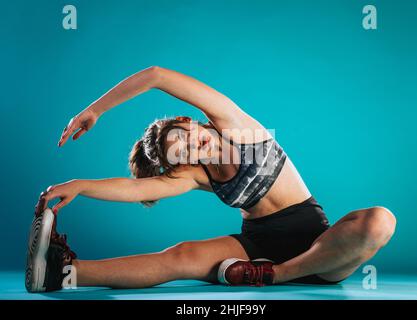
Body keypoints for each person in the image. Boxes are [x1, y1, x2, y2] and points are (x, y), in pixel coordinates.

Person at [26, 66, 396, 292]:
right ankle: (62, 272)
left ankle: (277, 275)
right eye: (181, 154)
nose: (191, 147)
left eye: (185, 137)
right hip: (256, 246)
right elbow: (137, 188)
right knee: (180, 256)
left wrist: (95, 109)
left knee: (379, 221)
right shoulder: (196, 175)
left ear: (193, 121)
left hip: (318, 244)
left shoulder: (238, 127)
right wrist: (81, 186)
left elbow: (157, 76)